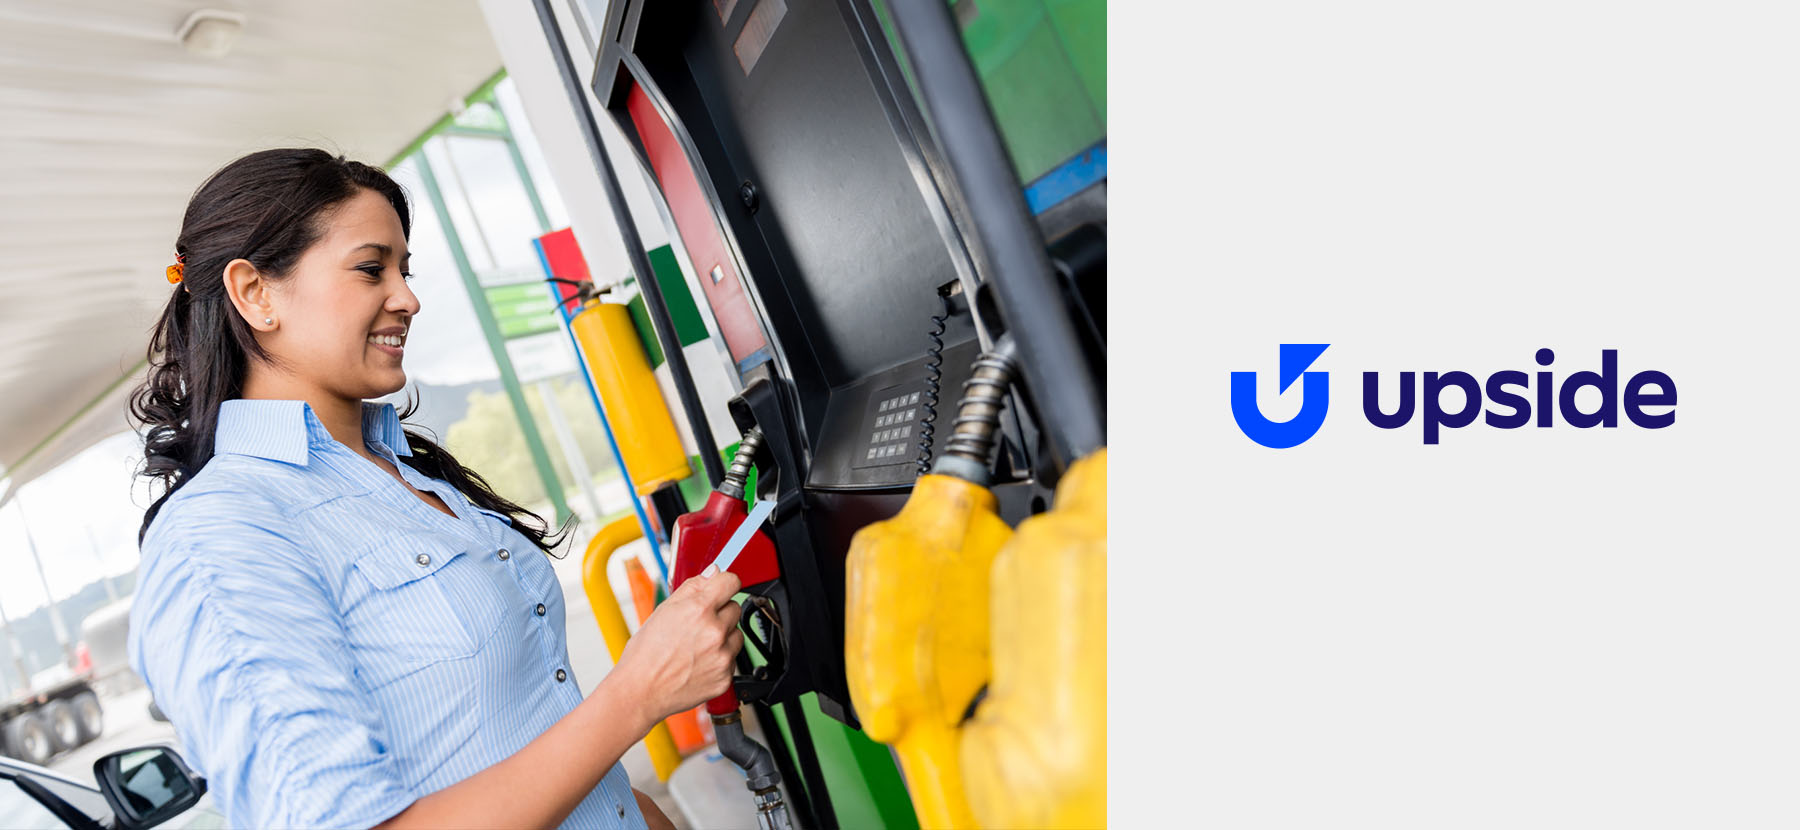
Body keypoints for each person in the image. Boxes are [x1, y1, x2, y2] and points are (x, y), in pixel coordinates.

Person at [127, 148, 744, 829]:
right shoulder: (220, 537)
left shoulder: (406, 476)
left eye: (405, 269)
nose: (409, 298)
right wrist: (636, 696)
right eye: (371, 269)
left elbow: (517, 740)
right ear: (255, 294)